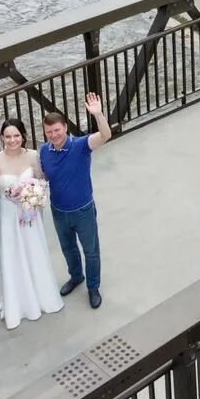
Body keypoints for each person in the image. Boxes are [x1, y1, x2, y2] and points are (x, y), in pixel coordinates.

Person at [0, 119, 64, 330]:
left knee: (35, 253)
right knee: (12, 258)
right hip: (7, 218)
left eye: (16, 135)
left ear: (23, 136)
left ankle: (42, 297)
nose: (12, 140)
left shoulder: (33, 155)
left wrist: (31, 193)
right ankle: (18, 305)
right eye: (8, 136)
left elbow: (42, 182)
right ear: (2, 138)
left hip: (30, 217)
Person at [41, 94, 112, 310]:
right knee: (68, 248)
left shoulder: (81, 145)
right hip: (58, 210)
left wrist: (98, 114)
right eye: (49, 132)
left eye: (57, 130)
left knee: (91, 250)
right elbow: (44, 177)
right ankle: (76, 276)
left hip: (83, 210)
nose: (54, 135)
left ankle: (93, 286)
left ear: (65, 128)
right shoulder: (44, 151)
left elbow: (105, 135)